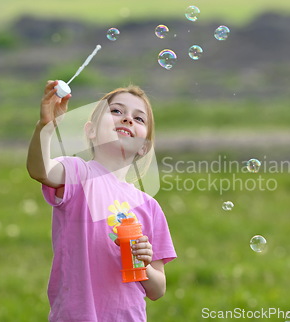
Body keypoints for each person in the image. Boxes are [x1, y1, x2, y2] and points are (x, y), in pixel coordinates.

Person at [26, 80, 177, 321]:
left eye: (139, 119)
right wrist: (45, 126)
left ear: (144, 147)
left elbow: (158, 289)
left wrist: (145, 264)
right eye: (116, 111)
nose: (127, 119)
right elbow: (40, 170)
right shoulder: (78, 173)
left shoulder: (149, 206)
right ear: (91, 131)